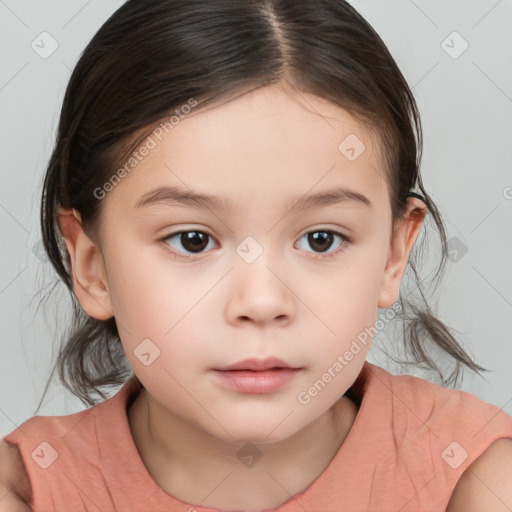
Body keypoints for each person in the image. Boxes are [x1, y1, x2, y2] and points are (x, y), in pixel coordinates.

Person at [1, 1, 511, 511]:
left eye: (321, 239)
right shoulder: (28, 490)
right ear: (92, 265)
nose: (262, 302)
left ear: (392, 256)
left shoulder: (478, 480)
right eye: (192, 240)